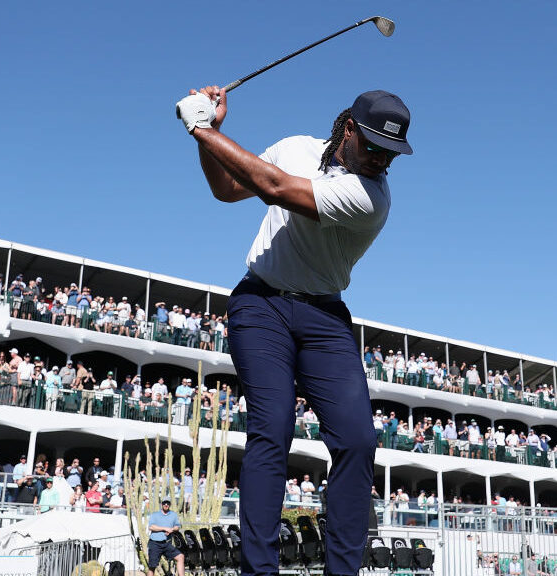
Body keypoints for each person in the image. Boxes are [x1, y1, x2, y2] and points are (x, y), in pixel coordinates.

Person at [176, 82, 412, 576]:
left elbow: (276, 188)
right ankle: (258, 571)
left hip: (325, 319)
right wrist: (211, 135)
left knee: (358, 441)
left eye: (391, 153)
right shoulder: (295, 147)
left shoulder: (371, 197)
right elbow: (227, 189)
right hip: (260, 304)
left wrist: (200, 128)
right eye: (374, 146)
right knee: (272, 428)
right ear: (349, 129)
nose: (381, 160)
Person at [147, 499, 185, 576]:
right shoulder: (155, 515)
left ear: (170, 504)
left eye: (168, 503)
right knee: (152, 567)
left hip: (166, 543)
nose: (166, 505)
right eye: (164, 503)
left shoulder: (173, 515)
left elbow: (177, 526)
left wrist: (172, 529)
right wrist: (165, 528)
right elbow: (151, 527)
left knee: (180, 557)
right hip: (155, 543)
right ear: (162, 504)